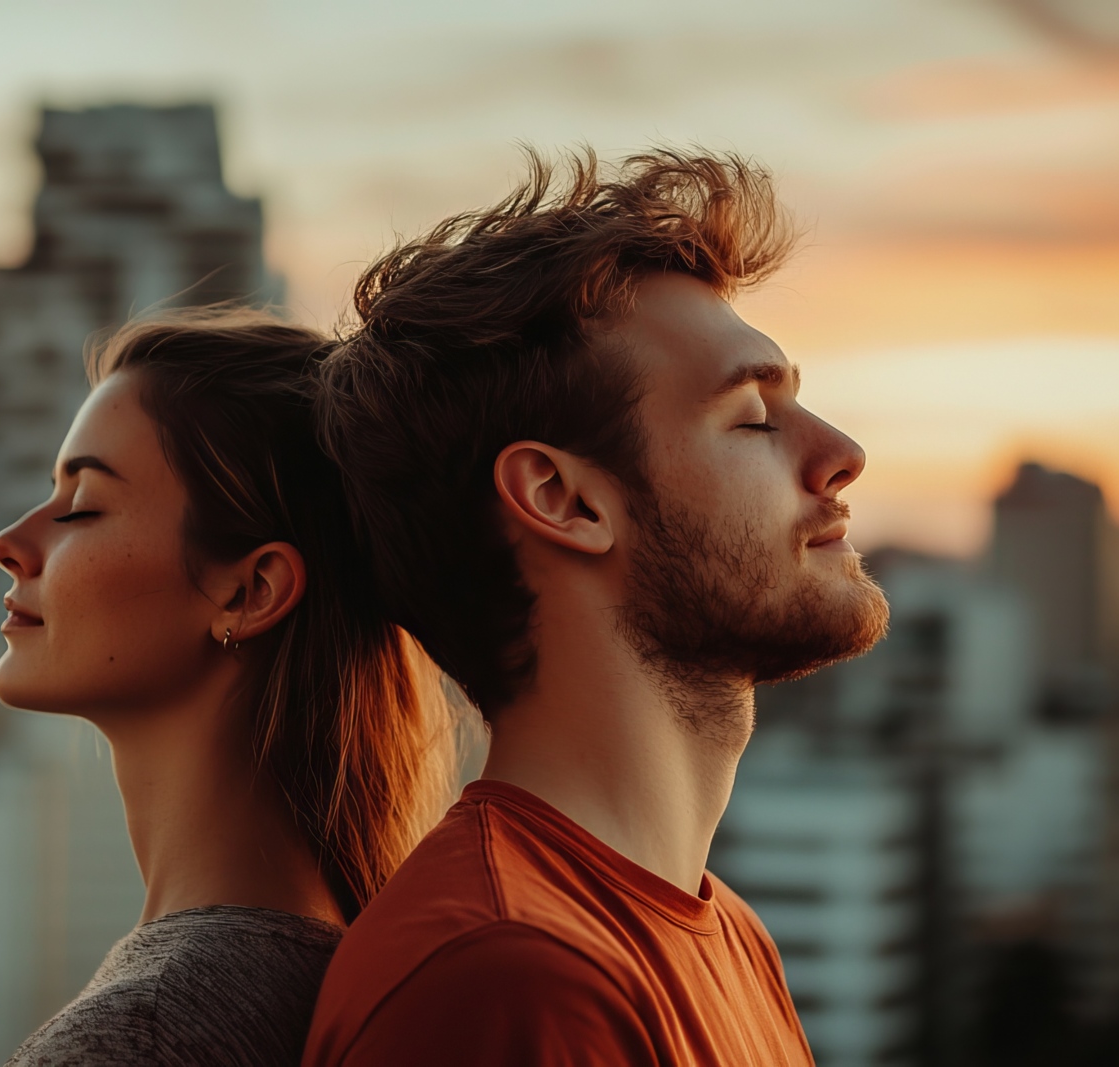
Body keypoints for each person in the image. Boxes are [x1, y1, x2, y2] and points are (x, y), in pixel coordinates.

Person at [302, 150, 892, 1066]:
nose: (842, 453)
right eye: (751, 418)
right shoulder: (506, 977)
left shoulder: (720, 931)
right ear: (563, 498)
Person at [0, 306, 454, 1067]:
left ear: (251, 591)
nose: (11, 543)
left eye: (81, 505)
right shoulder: (336, 971)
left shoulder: (142, 1035)